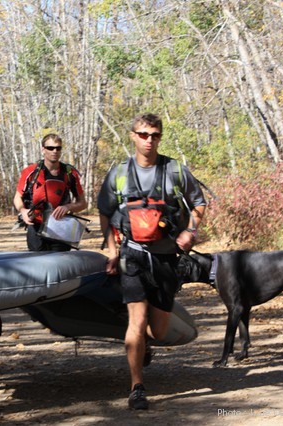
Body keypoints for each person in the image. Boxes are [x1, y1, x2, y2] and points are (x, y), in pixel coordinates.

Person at [97, 113, 207, 410]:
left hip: (166, 257)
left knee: (158, 330)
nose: (149, 140)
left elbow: (199, 203)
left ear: (160, 137)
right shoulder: (119, 173)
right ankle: (137, 387)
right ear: (133, 136)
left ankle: (145, 344)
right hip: (132, 255)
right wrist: (112, 250)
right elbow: (105, 212)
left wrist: (190, 232)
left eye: (155, 135)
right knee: (137, 320)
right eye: (144, 134)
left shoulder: (175, 170)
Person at [13, 134, 88, 251]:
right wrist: (23, 210)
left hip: (60, 226)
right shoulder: (30, 172)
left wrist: (68, 207)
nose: (54, 151)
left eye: (58, 148)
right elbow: (18, 197)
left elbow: (83, 203)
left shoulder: (70, 173)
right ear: (43, 149)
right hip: (36, 225)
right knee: (37, 261)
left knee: (60, 261)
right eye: (50, 148)